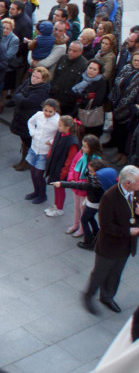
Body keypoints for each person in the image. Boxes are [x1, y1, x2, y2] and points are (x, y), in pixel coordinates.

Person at [83, 165, 139, 315]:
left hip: (126, 245)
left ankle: (107, 296)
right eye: (137, 182)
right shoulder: (110, 197)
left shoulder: (135, 193)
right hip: (110, 246)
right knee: (100, 273)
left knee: (116, 273)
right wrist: (128, 231)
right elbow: (106, 226)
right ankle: (88, 296)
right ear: (128, 182)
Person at [54, 159, 115, 250]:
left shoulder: (95, 184)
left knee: (84, 219)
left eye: (91, 171)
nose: (89, 172)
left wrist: (62, 184)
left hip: (93, 203)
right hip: (94, 202)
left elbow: (81, 186)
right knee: (90, 218)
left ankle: (88, 241)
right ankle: (95, 232)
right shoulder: (99, 179)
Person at [10, 67, 52, 171]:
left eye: (37, 78)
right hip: (21, 117)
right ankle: (23, 159)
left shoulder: (42, 91)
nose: (34, 79)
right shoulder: (27, 83)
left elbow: (28, 101)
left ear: (43, 79)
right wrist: (21, 97)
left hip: (29, 119)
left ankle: (27, 161)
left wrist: (21, 97)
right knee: (23, 140)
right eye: (33, 76)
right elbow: (16, 95)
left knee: (28, 140)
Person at [25, 98, 61, 204]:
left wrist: (51, 141)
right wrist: (32, 133)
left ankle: (42, 195)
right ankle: (36, 191)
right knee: (32, 172)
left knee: (38, 174)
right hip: (34, 148)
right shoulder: (38, 115)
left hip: (45, 151)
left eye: (50, 111)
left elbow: (59, 134)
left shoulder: (57, 120)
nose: (47, 113)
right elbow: (30, 122)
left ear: (55, 111)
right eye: (46, 110)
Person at [44, 115, 80, 218]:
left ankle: (59, 208)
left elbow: (69, 161)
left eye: (60, 125)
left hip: (61, 170)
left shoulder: (72, 142)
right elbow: (53, 146)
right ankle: (56, 205)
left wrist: (63, 173)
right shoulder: (60, 134)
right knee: (56, 187)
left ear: (67, 128)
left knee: (60, 189)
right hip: (55, 166)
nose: (58, 127)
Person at [108, 53, 139, 166]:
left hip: (131, 107)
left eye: (138, 61)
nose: (136, 62)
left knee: (127, 133)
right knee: (118, 128)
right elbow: (118, 82)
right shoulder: (126, 69)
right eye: (135, 60)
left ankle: (123, 154)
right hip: (118, 103)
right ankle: (117, 149)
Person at [73, 60, 107, 137]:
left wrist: (81, 100)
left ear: (99, 71)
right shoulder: (82, 77)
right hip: (78, 111)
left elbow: (98, 100)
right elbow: (74, 92)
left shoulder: (101, 81)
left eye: (94, 69)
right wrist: (85, 96)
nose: (91, 71)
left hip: (92, 114)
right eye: (90, 68)